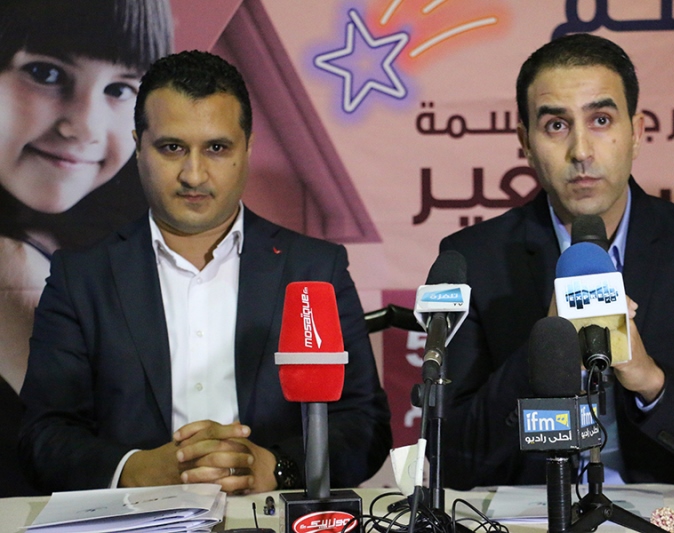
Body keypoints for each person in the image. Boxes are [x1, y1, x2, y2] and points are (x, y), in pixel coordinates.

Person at [19, 50, 392, 494]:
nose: (193, 175)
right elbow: (43, 432)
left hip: (272, 516)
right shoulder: (82, 277)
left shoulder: (314, 269)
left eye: (216, 148)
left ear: (247, 147)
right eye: (172, 148)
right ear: (139, 147)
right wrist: (135, 470)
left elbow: (364, 424)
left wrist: (277, 468)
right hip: (135, 519)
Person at [436, 33, 674, 490]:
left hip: (665, 512)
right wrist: (545, 358)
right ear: (526, 142)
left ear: (637, 132)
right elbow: (451, 460)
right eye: (556, 125)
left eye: (600, 120)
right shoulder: (474, 258)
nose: (581, 151)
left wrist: (649, 379)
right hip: (531, 513)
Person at [0, 0, 172, 497]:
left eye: (120, 89)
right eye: (45, 73)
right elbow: (141, 447)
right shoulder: (12, 265)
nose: (86, 125)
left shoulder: (92, 237)